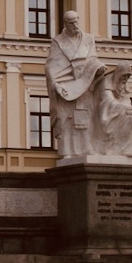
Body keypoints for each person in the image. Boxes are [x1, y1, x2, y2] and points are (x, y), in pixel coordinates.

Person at [45, 10, 107, 159]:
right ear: (65, 24)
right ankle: (67, 151)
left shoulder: (88, 39)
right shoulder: (58, 41)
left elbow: (92, 58)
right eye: (71, 23)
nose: (75, 25)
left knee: (87, 117)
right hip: (67, 84)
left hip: (85, 83)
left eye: (76, 21)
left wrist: (98, 67)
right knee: (67, 119)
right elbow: (52, 65)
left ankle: (87, 148)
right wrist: (56, 84)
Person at [94, 62, 132, 159]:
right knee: (130, 117)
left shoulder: (123, 85)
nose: (126, 79)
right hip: (106, 116)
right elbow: (107, 103)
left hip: (119, 112)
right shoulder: (106, 83)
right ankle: (120, 148)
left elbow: (125, 100)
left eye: (128, 76)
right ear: (119, 74)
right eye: (124, 75)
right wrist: (127, 108)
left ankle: (130, 147)